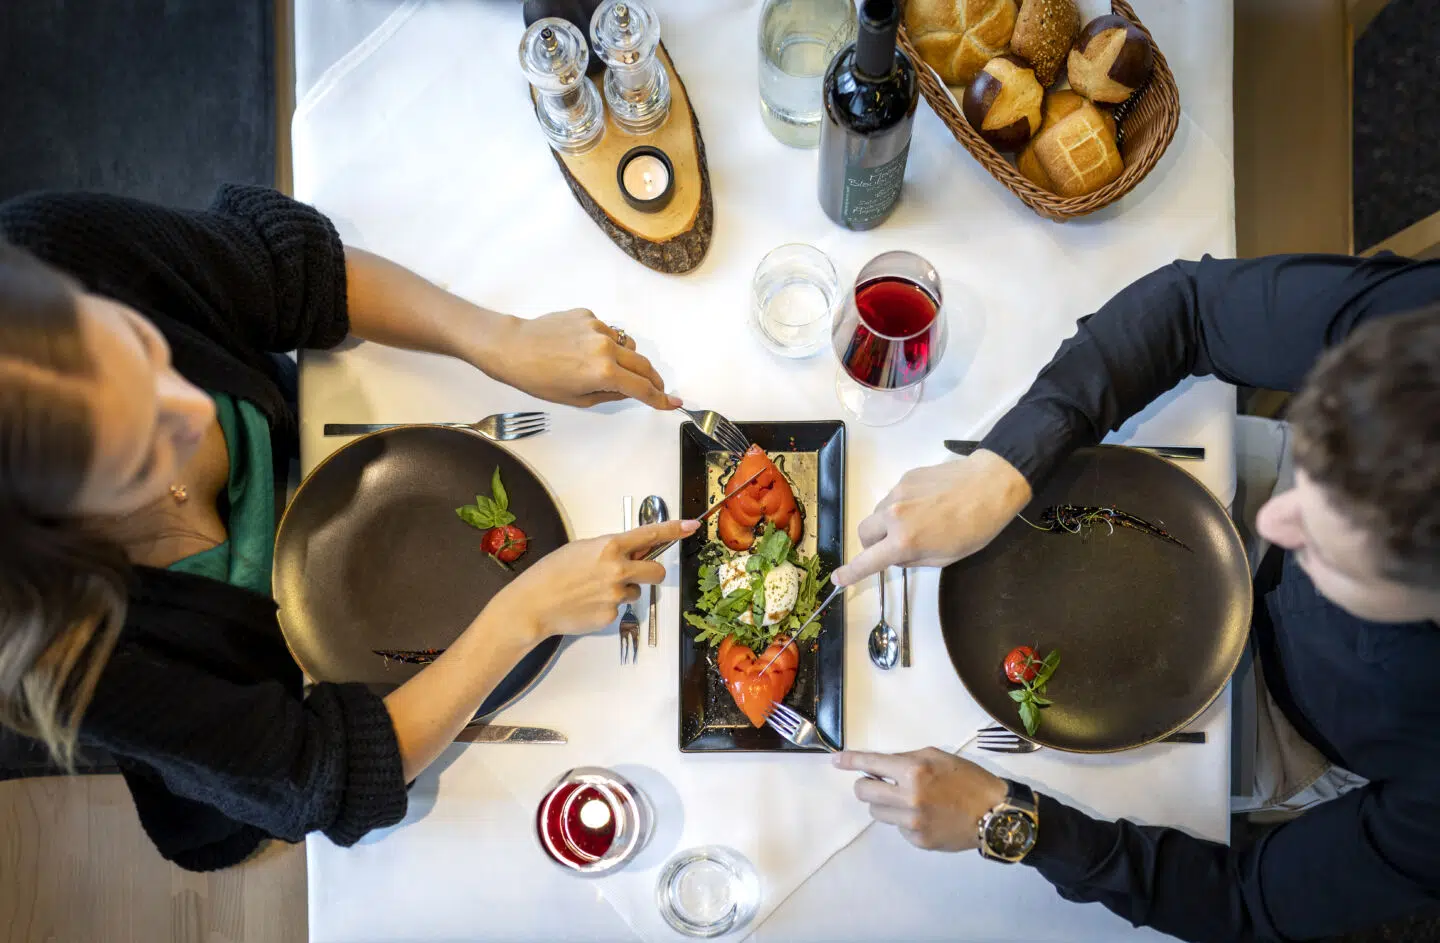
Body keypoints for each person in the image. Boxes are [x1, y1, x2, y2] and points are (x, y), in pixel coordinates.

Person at [0, 185, 695, 871]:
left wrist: (497, 339)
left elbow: (295, 271)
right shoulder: (70, 654)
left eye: (146, 352)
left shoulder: (46, 248)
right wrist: (524, 613)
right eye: (143, 449)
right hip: (276, 733)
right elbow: (326, 775)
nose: (192, 403)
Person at [830, 253, 1440, 941]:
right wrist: (1000, 472)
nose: (1270, 523)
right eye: (1323, 490)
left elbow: (1249, 903)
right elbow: (1189, 307)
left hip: (1284, 722)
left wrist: (1010, 820)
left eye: (1334, 551)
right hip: (1222, 476)